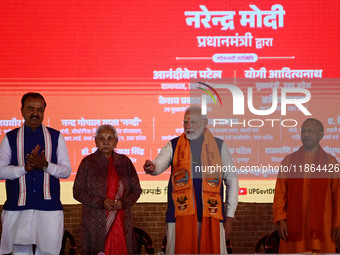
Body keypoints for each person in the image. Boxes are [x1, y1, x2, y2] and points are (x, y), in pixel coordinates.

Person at [144, 106, 238, 254]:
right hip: (179, 217)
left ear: (205, 122)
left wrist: (229, 217)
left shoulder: (219, 146)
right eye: (185, 123)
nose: (188, 126)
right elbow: (158, 164)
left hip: (213, 217)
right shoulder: (173, 145)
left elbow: (232, 182)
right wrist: (152, 167)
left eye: (193, 122)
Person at [0, 92, 72, 255]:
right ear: (22, 110)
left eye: (40, 109)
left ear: (44, 111)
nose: (35, 113)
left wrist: (45, 165)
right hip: (17, 207)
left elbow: (66, 171)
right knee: (19, 251)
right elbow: (0, 171)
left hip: (49, 208)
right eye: (30, 108)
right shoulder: (10, 137)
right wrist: (24, 169)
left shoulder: (56, 136)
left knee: (48, 252)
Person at [273, 118, 340, 253]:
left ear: (321, 134)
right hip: (294, 230)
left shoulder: (331, 162)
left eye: (310, 131)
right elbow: (280, 194)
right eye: (303, 131)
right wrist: (280, 220)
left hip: (323, 230)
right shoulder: (288, 161)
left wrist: (338, 223)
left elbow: (338, 196)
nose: (306, 134)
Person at [73, 124, 142, 255]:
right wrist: (100, 202)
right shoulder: (87, 163)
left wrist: (124, 202)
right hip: (95, 221)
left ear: (116, 142)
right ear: (95, 141)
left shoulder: (125, 162)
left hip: (121, 220)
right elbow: (77, 192)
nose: (106, 142)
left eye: (110, 138)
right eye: (102, 138)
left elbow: (136, 190)